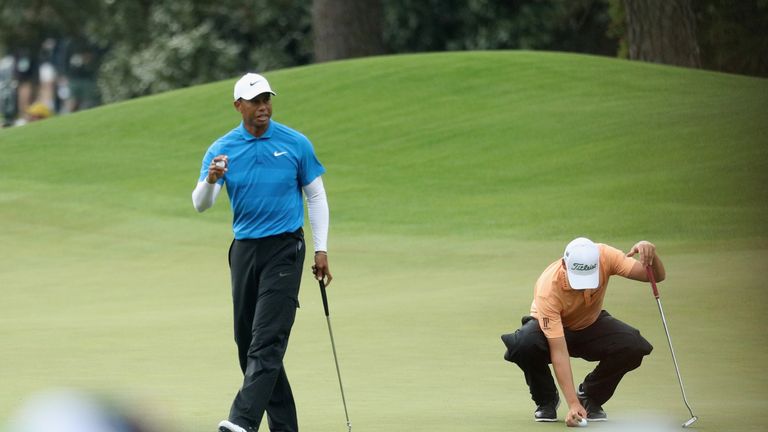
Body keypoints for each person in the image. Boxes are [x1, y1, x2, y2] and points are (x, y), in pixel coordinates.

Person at [192, 72, 332, 432]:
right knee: (247, 344)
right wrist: (210, 180)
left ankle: (242, 422)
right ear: (239, 106)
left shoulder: (295, 143)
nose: (263, 107)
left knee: (267, 339)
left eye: (267, 99)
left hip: (285, 248)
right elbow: (201, 205)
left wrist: (321, 249)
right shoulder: (222, 149)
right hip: (244, 250)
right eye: (255, 101)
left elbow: (315, 195)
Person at [501, 237, 665, 427]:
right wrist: (572, 404)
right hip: (550, 330)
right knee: (524, 345)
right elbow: (559, 351)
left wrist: (651, 255)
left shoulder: (605, 256)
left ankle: (589, 396)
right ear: (564, 264)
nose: (585, 286)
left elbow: (655, 276)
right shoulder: (548, 288)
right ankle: (546, 399)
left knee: (633, 345)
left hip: (589, 325)